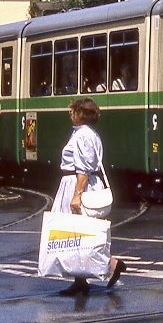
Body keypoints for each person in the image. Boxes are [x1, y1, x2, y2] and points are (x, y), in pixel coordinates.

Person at [52, 97, 126, 296]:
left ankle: (112, 264)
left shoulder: (84, 135)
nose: (70, 115)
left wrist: (77, 194)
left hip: (77, 185)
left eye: (73, 111)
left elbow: (83, 169)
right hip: (75, 184)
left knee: (81, 235)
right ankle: (80, 280)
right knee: (76, 235)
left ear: (79, 114)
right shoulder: (85, 134)